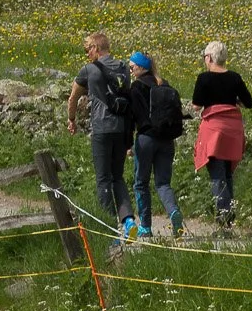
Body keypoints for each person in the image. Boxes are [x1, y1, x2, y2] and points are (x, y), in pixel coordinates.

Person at [65, 30, 136, 235]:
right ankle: (129, 220)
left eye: (88, 49)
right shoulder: (123, 67)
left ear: (96, 48)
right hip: (122, 128)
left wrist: (71, 119)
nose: (87, 53)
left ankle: (109, 227)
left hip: (102, 128)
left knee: (103, 178)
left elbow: (73, 98)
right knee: (118, 177)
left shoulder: (89, 70)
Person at [191, 39, 252, 228]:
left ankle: (224, 218)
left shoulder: (204, 78)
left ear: (209, 57)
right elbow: (248, 102)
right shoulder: (235, 77)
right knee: (227, 173)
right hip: (233, 130)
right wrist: (233, 100)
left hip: (214, 131)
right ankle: (229, 216)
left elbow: (196, 105)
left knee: (217, 175)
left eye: (205, 57)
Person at [127, 52, 185, 239]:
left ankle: (145, 226)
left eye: (132, 66)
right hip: (167, 140)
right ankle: (173, 211)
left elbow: (132, 117)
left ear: (141, 67)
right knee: (163, 183)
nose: (130, 69)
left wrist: (128, 143)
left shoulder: (136, 87)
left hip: (145, 140)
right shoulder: (164, 84)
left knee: (141, 183)